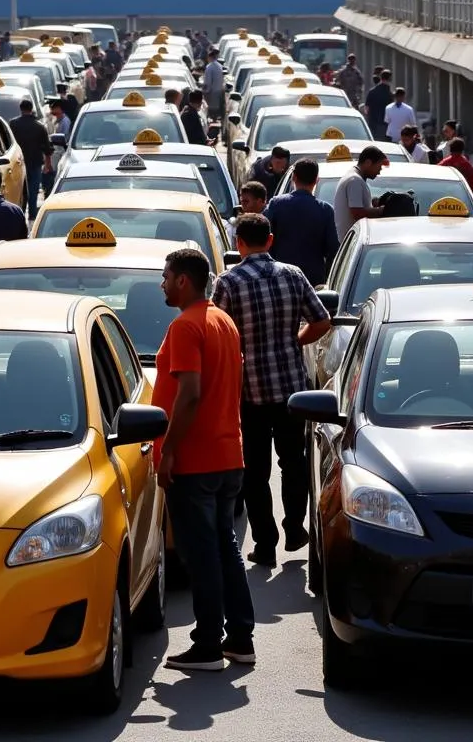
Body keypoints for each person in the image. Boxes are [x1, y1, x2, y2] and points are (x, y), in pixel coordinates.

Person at [154, 248, 254, 672]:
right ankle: (240, 638)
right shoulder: (223, 321)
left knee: (201, 554)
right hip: (228, 454)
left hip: (195, 460)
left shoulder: (185, 326)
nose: (161, 283)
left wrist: (169, 450)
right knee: (225, 548)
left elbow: (190, 392)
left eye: (166, 276)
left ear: (183, 281)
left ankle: (208, 643)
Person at [213, 215, 331, 567]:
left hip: (250, 393)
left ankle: (265, 543)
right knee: (294, 462)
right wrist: (294, 341)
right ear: (270, 239)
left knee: (255, 470)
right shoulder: (293, 275)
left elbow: (217, 332)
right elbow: (321, 321)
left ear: (239, 243)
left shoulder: (229, 283)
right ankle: (295, 528)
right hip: (293, 390)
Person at [265, 158, 339, 286]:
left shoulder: (276, 205)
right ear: (316, 180)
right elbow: (333, 250)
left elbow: (262, 239)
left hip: (279, 278)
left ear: (294, 177)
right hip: (312, 281)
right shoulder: (325, 210)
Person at [9, 100, 53, 219]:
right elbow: (47, 148)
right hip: (35, 163)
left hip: (18, 163)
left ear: (21, 108)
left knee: (19, 191)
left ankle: (19, 215)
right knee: (33, 192)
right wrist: (48, 165)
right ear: (31, 108)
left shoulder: (13, 124)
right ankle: (32, 216)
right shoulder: (39, 127)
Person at [332, 145, 387, 240]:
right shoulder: (354, 180)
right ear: (368, 162)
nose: (379, 171)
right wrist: (383, 210)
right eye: (379, 166)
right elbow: (357, 213)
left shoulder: (355, 178)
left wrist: (373, 204)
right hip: (352, 243)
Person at [438, 137, 473, 206]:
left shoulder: (444, 163)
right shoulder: (467, 165)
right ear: (462, 149)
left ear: (450, 148)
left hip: (446, 201)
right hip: (465, 202)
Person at [228, 181, 267, 249]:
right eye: (242, 201)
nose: (243, 205)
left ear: (259, 201)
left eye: (246, 201)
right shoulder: (238, 225)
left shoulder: (272, 221)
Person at [363, 68, 393, 139]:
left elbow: (366, 109)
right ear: (389, 79)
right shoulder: (389, 94)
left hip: (373, 123)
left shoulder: (372, 91)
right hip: (385, 125)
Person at [202, 49, 225, 134]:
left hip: (212, 90)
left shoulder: (210, 67)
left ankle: (212, 125)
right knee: (216, 107)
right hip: (219, 89)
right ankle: (215, 121)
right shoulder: (219, 66)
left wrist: (206, 90)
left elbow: (208, 81)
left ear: (210, 57)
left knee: (210, 108)